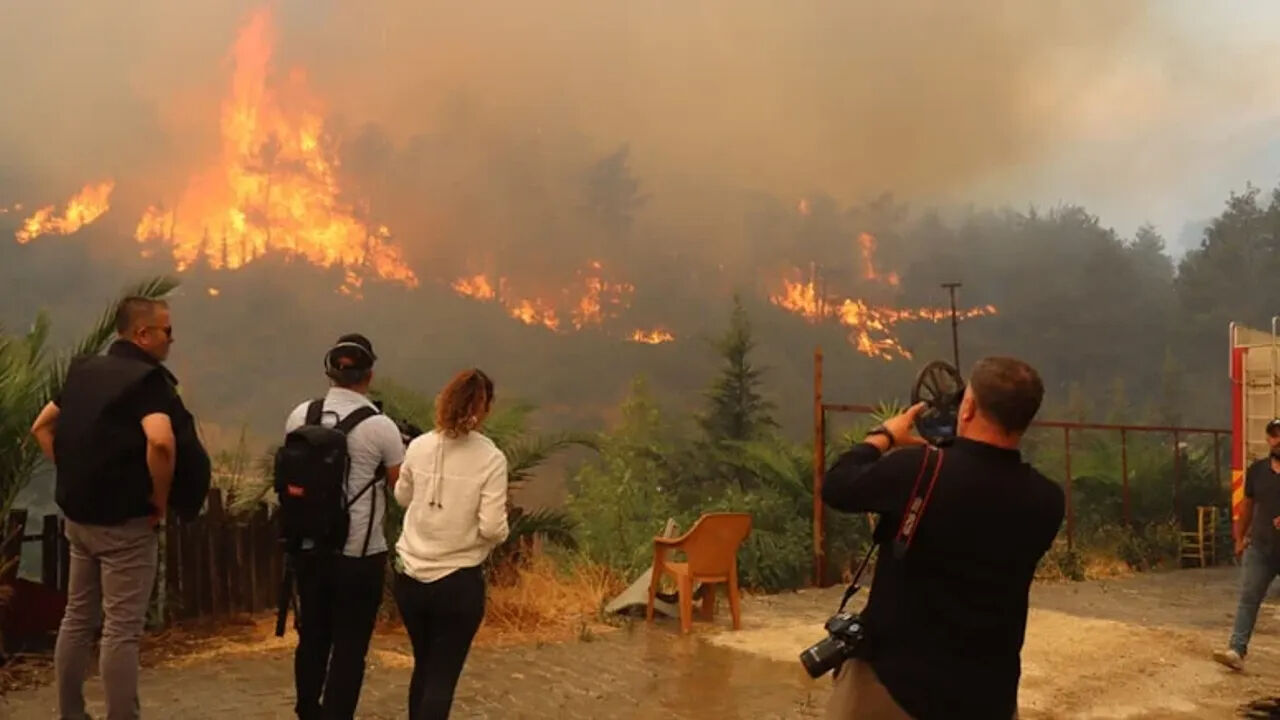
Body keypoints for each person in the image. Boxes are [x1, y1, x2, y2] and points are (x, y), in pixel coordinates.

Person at [822, 357, 1065, 720]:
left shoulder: (918, 470)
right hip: (988, 696)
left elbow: (838, 486)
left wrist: (884, 436)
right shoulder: (1047, 500)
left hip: (895, 691)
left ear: (966, 406)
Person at [30, 296, 184, 720]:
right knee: (121, 629)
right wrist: (160, 497)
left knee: (77, 618)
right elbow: (160, 440)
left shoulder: (84, 371)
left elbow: (42, 426)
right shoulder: (147, 381)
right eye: (167, 331)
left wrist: (75, 470)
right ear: (143, 334)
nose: (172, 339)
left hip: (79, 520)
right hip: (125, 524)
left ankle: (71, 713)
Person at [285, 334, 405, 720]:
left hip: (307, 547)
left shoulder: (301, 415)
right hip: (359, 553)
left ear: (329, 372)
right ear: (368, 376)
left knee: (313, 636)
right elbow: (400, 486)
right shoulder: (380, 426)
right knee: (351, 646)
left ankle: (307, 708)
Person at [394, 368, 509, 720]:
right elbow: (492, 527)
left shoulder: (419, 446)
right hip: (458, 583)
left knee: (424, 666)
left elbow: (401, 496)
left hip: (410, 578)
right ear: (484, 407)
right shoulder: (491, 459)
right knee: (442, 677)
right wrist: (500, 532)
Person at [1213, 418, 1280, 671]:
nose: (1278, 440)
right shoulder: (1257, 471)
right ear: (1268, 440)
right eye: (1274, 435)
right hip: (1261, 548)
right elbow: (1248, 507)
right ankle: (1236, 651)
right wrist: (1240, 539)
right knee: (1249, 597)